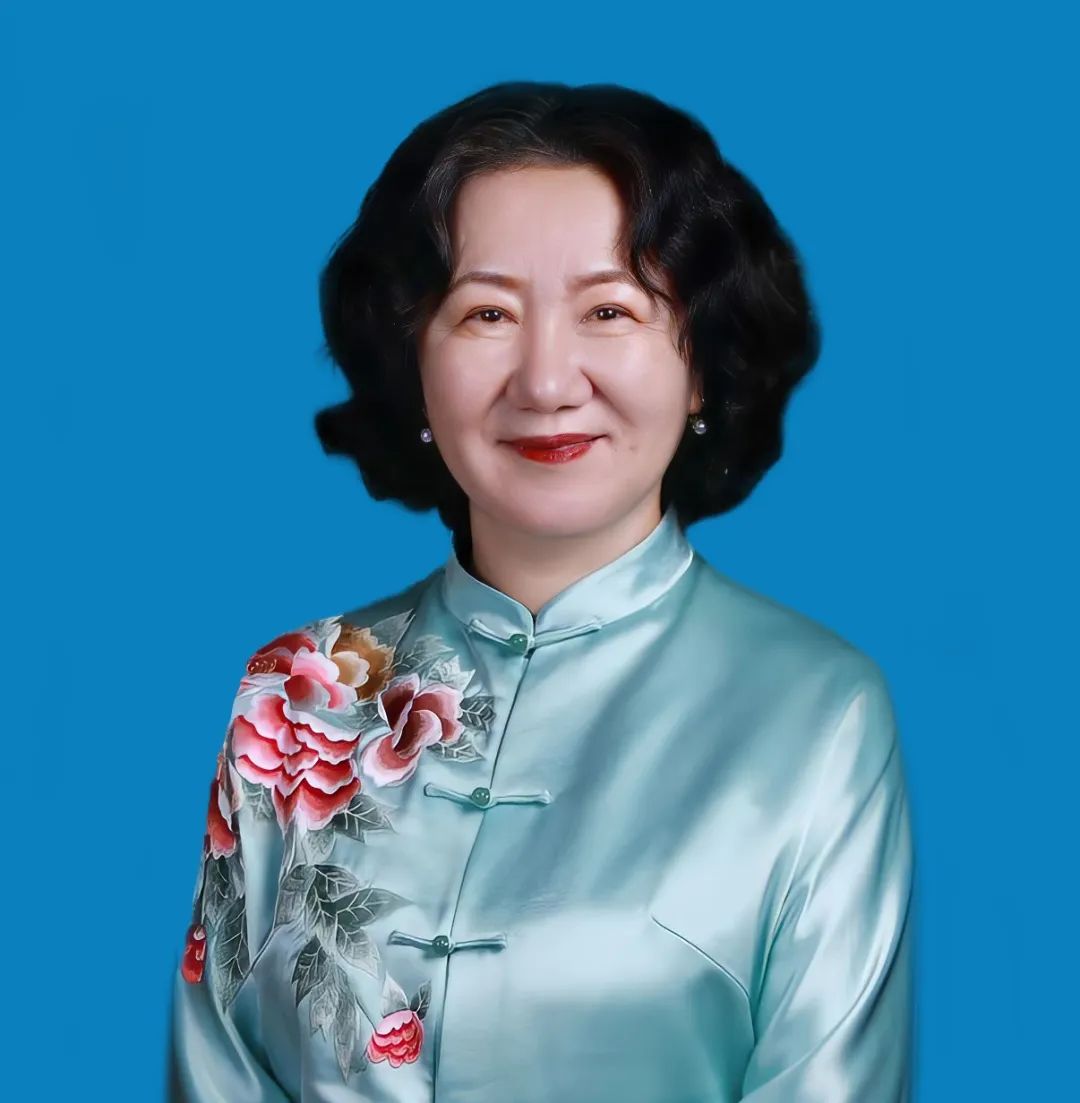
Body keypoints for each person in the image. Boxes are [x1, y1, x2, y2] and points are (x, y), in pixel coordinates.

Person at [167, 80, 915, 1102]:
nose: (547, 380)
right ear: (412, 360)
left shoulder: (818, 708)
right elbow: (216, 1070)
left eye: (610, 310)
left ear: (702, 363)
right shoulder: (296, 690)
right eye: (487, 313)